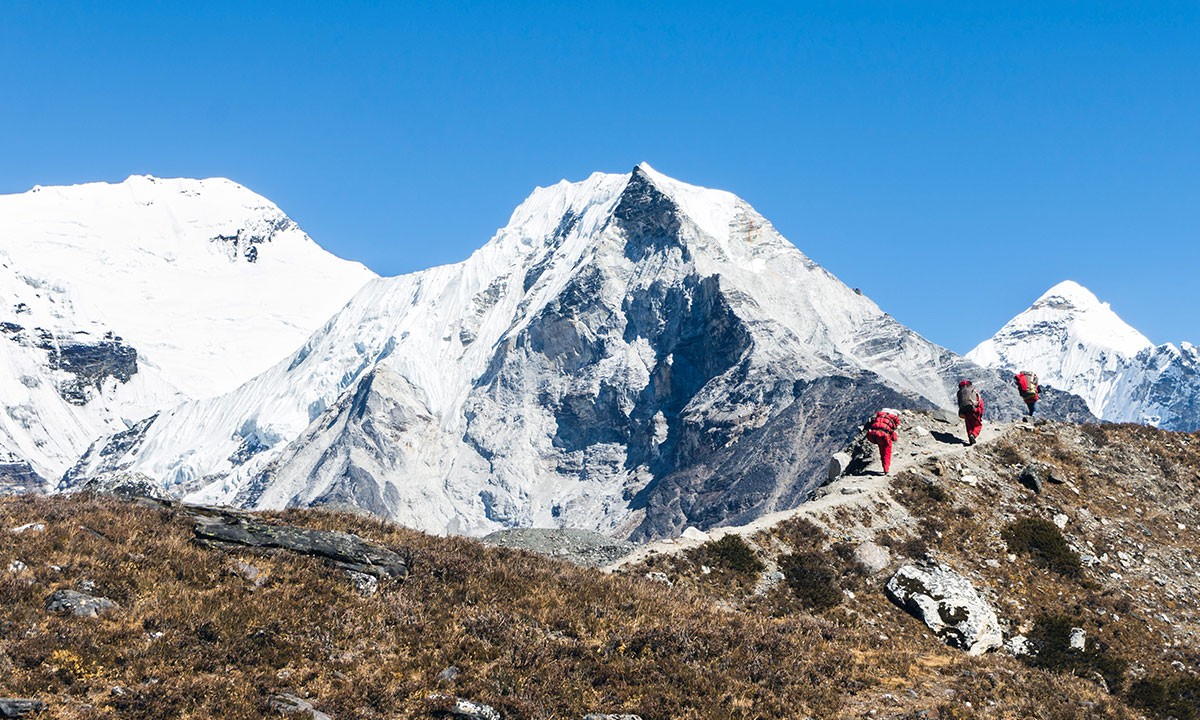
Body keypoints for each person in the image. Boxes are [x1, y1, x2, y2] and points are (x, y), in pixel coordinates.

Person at [865, 408, 901, 474]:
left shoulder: (879, 416)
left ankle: (884, 466)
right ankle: (886, 469)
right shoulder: (894, 419)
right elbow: (895, 429)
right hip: (884, 436)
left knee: (881, 451)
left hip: (874, 435)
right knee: (887, 452)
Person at [956, 379, 984, 445]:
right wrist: (980, 413)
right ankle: (973, 435)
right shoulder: (973, 391)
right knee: (977, 425)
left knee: (969, 425)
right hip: (974, 410)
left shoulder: (960, 393)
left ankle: (970, 438)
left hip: (965, 411)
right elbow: (980, 403)